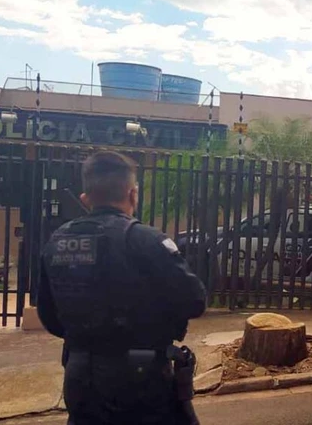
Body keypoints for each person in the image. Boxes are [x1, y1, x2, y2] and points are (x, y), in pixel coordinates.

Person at [37, 151, 207, 425]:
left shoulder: (56, 241)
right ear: (133, 195)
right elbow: (195, 301)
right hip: (140, 378)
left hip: (79, 373)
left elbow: (49, 315)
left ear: (86, 198)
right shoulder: (146, 240)